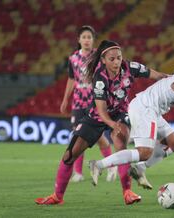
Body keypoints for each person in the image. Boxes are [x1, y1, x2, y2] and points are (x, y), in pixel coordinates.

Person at [35, 39, 167, 205]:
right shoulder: (100, 79)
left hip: (121, 113)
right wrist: (113, 125)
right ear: (103, 60)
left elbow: (155, 75)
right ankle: (57, 196)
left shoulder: (130, 67)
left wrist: (173, 80)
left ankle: (128, 192)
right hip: (97, 116)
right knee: (69, 155)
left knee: (120, 144)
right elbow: (102, 111)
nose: (116, 62)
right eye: (112, 59)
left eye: (118, 57)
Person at [89, 36, 174, 190]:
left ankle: (139, 169)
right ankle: (98, 165)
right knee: (144, 152)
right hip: (145, 107)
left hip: (154, 110)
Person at [59, 25, 117, 183]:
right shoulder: (73, 59)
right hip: (78, 103)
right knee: (78, 137)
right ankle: (78, 173)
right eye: (83, 37)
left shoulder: (99, 56)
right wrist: (65, 99)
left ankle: (112, 166)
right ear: (78, 40)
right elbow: (72, 79)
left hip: (94, 101)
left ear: (93, 40)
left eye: (89, 37)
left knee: (99, 137)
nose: (86, 40)